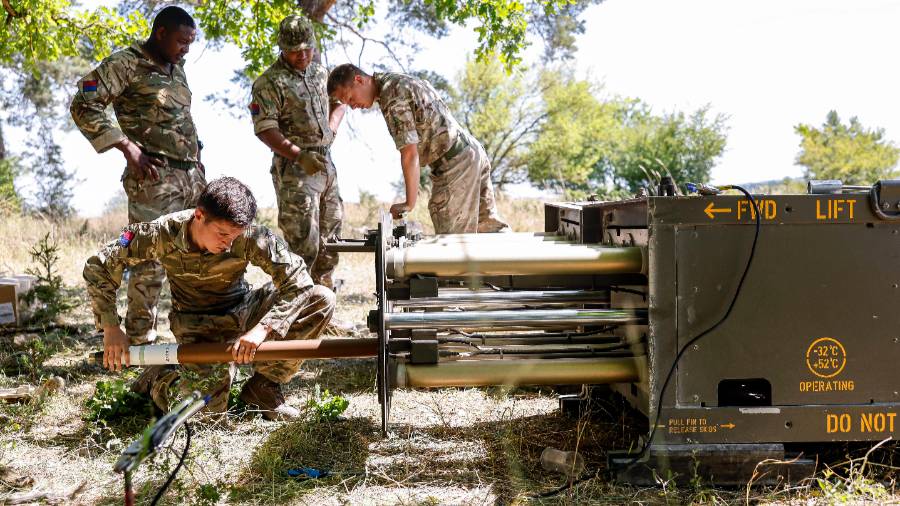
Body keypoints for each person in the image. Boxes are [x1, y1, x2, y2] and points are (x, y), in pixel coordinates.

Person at [83, 177, 336, 419]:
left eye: (235, 237)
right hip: (198, 327)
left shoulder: (249, 236)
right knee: (206, 415)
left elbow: (299, 280)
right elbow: (98, 266)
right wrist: (110, 327)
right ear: (199, 215)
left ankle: (263, 389)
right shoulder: (162, 233)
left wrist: (263, 329)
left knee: (320, 298)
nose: (228, 245)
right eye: (223, 235)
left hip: (243, 308)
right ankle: (162, 376)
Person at [70, 6, 207, 346]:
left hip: (190, 177)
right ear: (160, 33)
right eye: (181, 41)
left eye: (190, 43)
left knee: (196, 255)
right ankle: (139, 338)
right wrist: (126, 147)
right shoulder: (125, 63)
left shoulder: (177, 70)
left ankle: (195, 333)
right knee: (147, 256)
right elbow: (83, 104)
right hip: (154, 177)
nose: (186, 49)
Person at [326, 64, 510, 234]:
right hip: (470, 152)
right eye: (347, 104)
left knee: (453, 247)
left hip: (456, 165)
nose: (353, 106)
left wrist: (409, 203)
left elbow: (409, 153)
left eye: (350, 98)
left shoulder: (391, 94)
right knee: (488, 231)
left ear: (359, 80)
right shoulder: (397, 80)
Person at [250, 14, 346, 289]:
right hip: (295, 170)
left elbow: (338, 101)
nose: (302, 56)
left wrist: (331, 131)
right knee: (304, 244)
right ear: (282, 48)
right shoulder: (269, 83)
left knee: (332, 240)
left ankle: (324, 303)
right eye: (294, 52)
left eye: (307, 49)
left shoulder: (319, 72)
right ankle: (297, 309)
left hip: (326, 164)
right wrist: (299, 156)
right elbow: (265, 129)